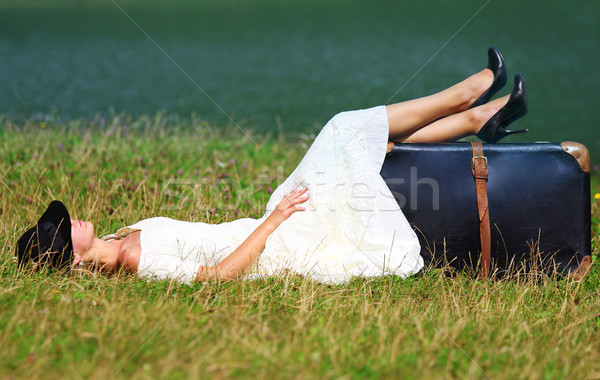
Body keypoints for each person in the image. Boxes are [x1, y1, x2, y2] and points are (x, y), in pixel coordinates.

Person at [16, 47, 527, 284]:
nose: (72, 221)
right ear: (74, 261)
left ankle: (481, 115)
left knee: (363, 147)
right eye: (66, 234)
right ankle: (470, 96)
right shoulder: (133, 263)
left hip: (269, 225)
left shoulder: (121, 235)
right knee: (344, 131)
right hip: (280, 241)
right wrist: (280, 217)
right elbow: (217, 276)